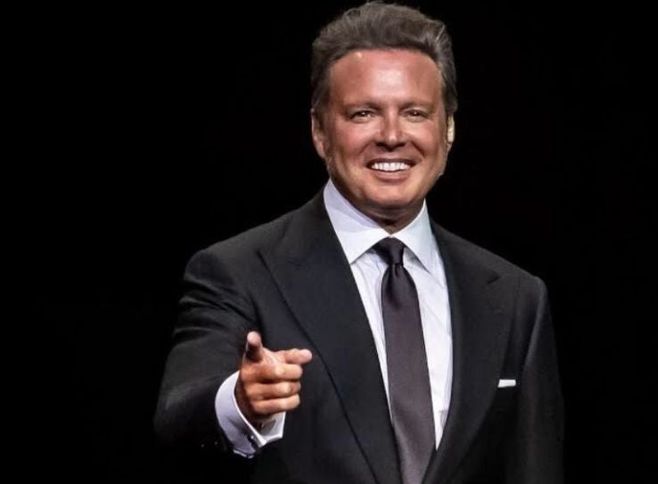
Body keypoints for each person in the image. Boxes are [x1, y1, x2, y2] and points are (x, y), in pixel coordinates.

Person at [154, 2, 564, 483]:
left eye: (415, 113)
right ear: (320, 130)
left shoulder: (514, 298)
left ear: (448, 129)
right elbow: (179, 414)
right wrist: (240, 403)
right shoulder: (239, 271)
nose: (392, 136)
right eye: (363, 113)